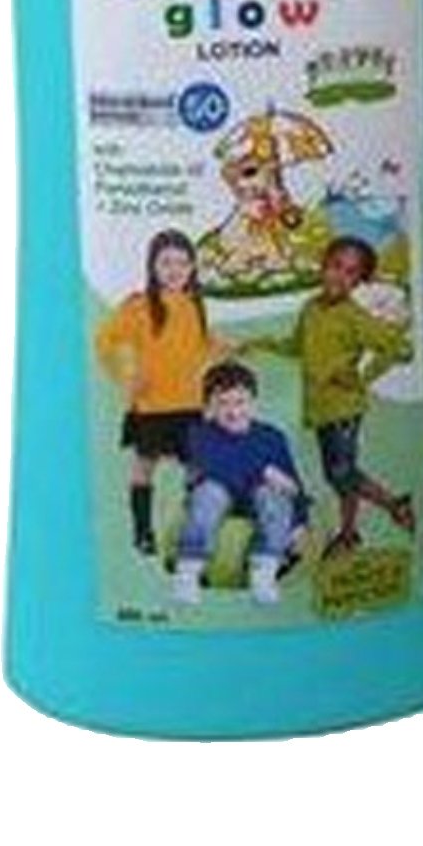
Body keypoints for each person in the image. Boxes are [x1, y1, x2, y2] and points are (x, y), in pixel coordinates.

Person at [253, 237, 417, 554]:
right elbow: (296, 346)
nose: (339, 276)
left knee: (340, 473)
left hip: (345, 409)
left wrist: (362, 377)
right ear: (323, 265)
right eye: (335, 266)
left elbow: (401, 348)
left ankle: (387, 509)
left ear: (359, 282)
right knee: (340, 473)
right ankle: (355, 530)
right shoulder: (310, 309)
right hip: (321, 409)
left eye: (350, 272)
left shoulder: (354, 317)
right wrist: (260, 343)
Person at [93, 229, 220, 556]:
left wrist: (226, 348)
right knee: (143, 467)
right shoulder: (138, 306)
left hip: (189, 404)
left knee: (196, 469)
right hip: (151, 406)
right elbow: (105, 340)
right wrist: (126, 375)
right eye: (166, 262)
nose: (174, 270)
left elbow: (200, 344)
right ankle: (142, 532)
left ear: (192, 267)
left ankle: (194, 531)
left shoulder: (194, 305)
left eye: (182, 262)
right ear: (152, 266)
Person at [175, 361, 309, 607]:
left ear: (253, 401)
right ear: (209, 407)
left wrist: (300, 522)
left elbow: (291, 483)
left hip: (256, 499)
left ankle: (264, 570)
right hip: (217, 497)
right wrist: (263, 470)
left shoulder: (272, 437)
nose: (233, 411)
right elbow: (216, 468)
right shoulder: (198, 434)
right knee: (209, 492)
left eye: (240, 402)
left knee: (274, 495)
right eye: (222, 403)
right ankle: (189, 571)